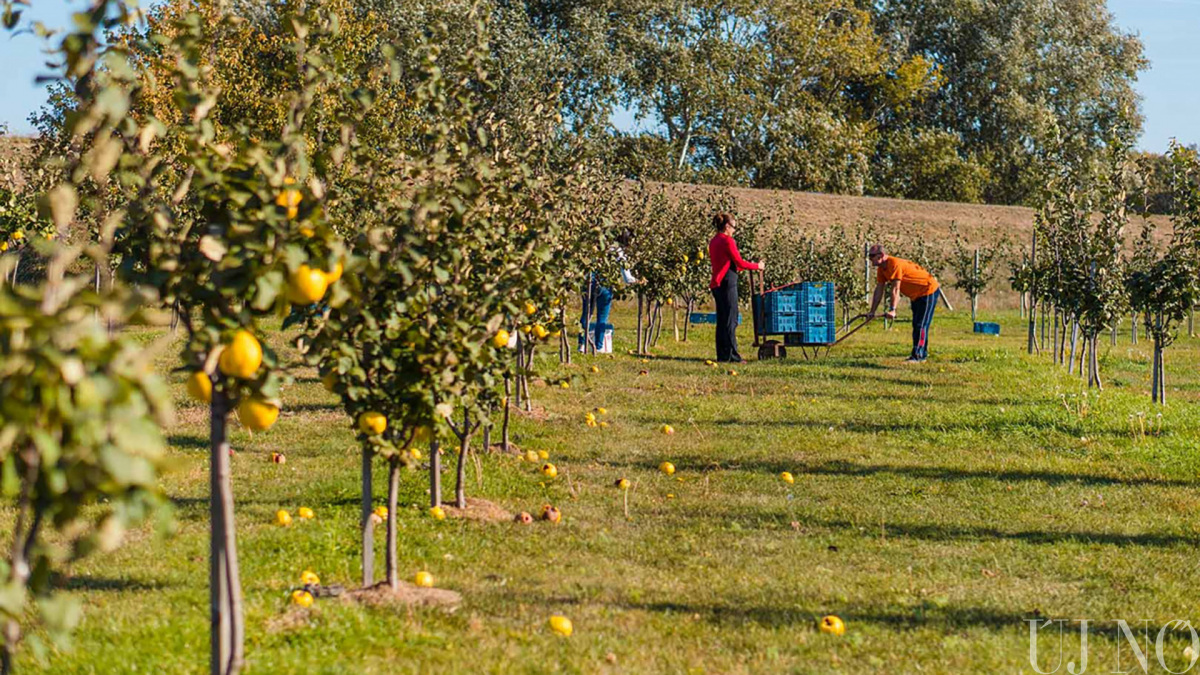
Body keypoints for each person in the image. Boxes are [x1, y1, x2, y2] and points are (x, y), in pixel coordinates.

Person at [866, 244, 941, 363]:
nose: (870, 259)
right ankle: (921, 353)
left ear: (880, 255)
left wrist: (893, 309)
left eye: (872, 256)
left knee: (921, 325)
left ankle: (918, 356)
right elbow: (879, 290)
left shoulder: (894, 264)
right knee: (917, 324)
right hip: (915, 295)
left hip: (927, 290)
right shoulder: (882, 269)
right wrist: (872, 312)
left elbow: (895, 289)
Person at [708, 213, 764, 363]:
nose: (734, 230)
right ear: (727, 227)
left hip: (717, 283)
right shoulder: (728, 241)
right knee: (731, 320)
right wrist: (757, 266)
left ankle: (722, 354)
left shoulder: (713, 241)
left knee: (722, 320)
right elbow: (739, 262)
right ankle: (733, 356)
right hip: (727, 283)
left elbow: (725, 262)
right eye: (734, 227)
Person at [579, 229, 638, 353]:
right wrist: (638, 281)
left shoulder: (597, 246)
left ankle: (582, 345)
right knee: (602, 317)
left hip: (590, 281)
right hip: (606, 284)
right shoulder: (618, 251)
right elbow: (627, 278)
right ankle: (599, 347)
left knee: (586, 315)